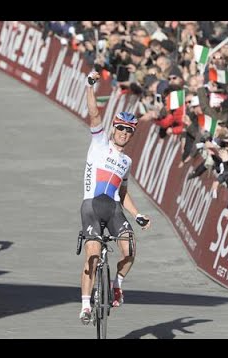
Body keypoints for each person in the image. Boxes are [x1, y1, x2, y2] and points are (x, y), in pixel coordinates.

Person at [79, 71, 151, 325]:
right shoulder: (99, 142)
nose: (123, 132)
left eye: (128, 130)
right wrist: (90, 86)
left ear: (131, 135)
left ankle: (117, 283)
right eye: (120, 127)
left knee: (130, 249)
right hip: (91, 206)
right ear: (114, 128)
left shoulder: (126, 161)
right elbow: (94, 113)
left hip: (114, 209)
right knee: (93, 252)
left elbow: (122, 192)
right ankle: (87, 305)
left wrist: (138, 214)